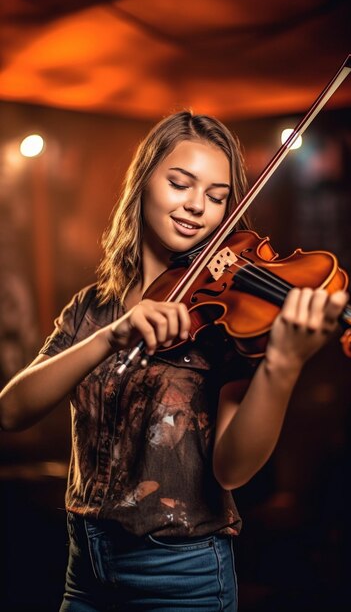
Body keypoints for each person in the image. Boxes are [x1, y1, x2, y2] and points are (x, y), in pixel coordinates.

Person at [0, 111, 348, 612]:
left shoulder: (224, 326)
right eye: (180, 183)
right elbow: (11, 412)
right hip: (84, 569)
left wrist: (282, 366)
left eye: (217, 195)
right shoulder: (92, 307)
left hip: (183, 577)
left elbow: (232, 470)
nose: (197, 207)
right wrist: (110, 337)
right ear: (144, 182)